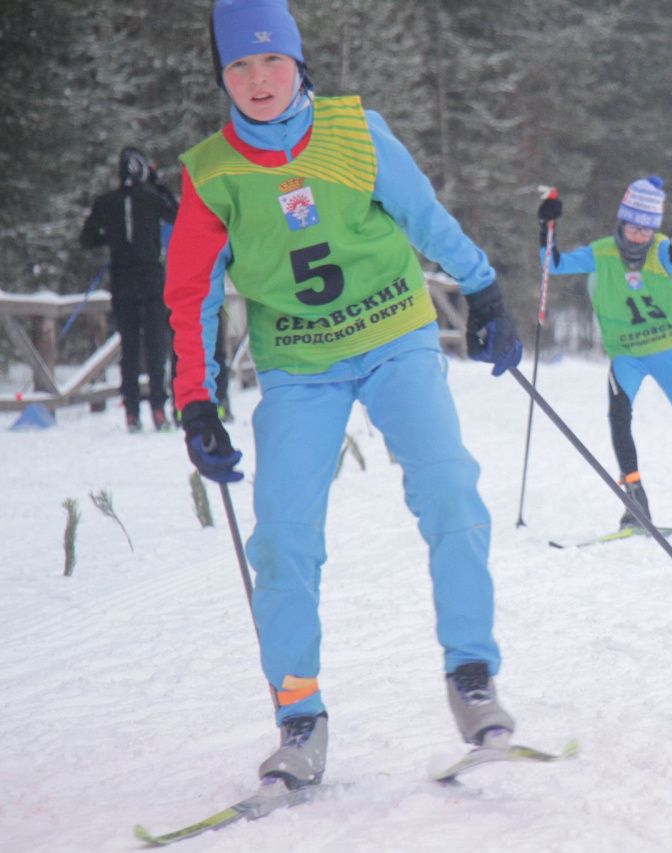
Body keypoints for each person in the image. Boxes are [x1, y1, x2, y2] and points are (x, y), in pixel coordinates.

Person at [165, 0, 524, 790]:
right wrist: (196, 398)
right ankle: (299, 714)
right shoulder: (210, 174)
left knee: (450, 488)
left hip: (396, 336)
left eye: (272, 61)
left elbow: (422, 215)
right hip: (299, 365)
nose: (258, 80)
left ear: (299, 63)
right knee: (284, 535)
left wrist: (484, 287)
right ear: (222, 76)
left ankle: (472, 675)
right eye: (240, 66)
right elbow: (189, 293)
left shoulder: (355, 132)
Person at [534, 176, 672, 532]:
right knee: (618, 417)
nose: (639, 236)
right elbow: (553, 265)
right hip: (627, 354)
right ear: (622, 222)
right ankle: (634, 497)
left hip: (666, 351)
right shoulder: (600, 252)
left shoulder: (661, 249)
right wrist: (546, 227)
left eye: (646, 230)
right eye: (633, 227)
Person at [79, 145, 179, 432]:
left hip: (122, 280)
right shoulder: (151, 198)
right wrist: (159, 184)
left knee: (130, 349)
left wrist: (111, 240)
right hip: (151, 278)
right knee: (156, 346)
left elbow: (86, 239)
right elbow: (177, 214)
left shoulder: (105, 201)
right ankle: (159, 410)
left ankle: (132, 413)